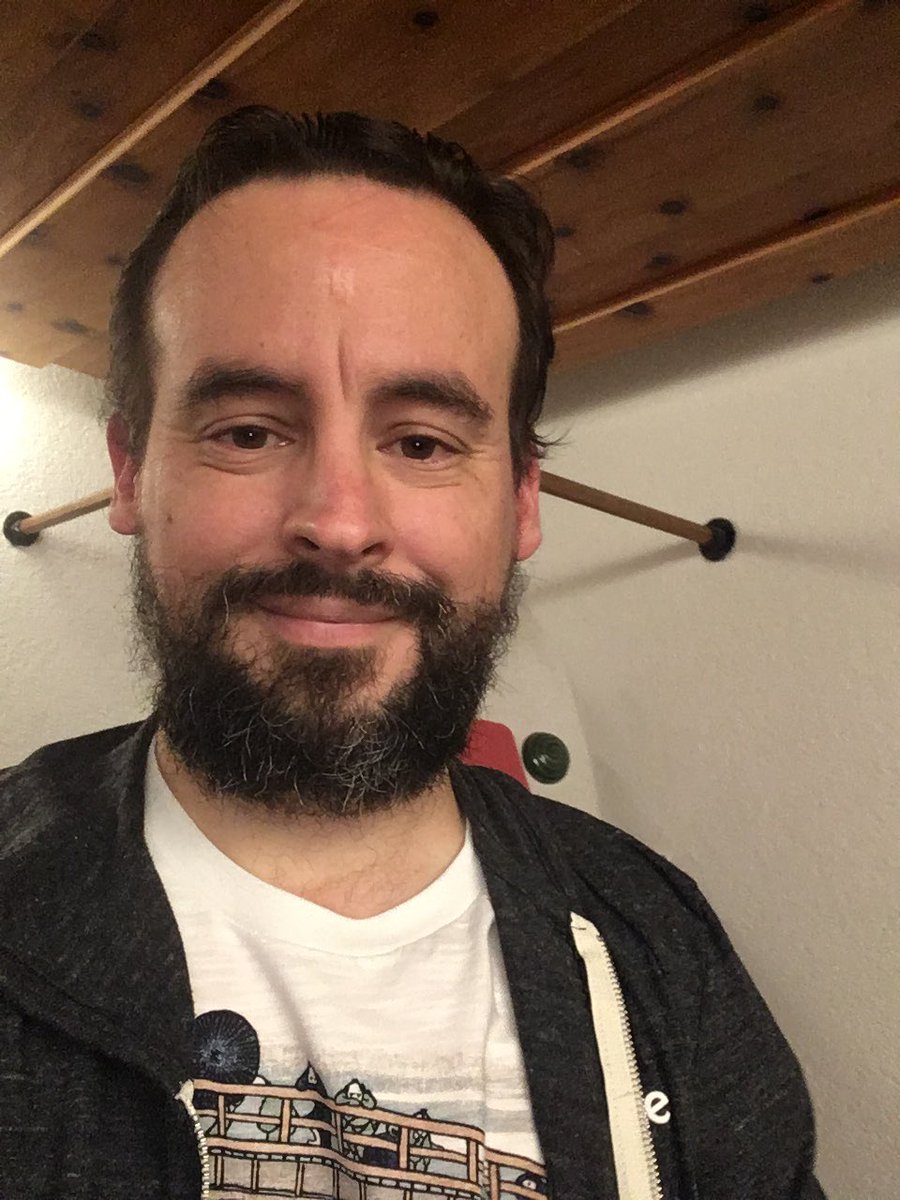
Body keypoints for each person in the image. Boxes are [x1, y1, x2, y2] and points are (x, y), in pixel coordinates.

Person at [0, 107, 825, 1199]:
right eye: (248, 430)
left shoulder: (661, 945)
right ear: (131, 471)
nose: (340, 522)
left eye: (423, 442)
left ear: (521, 501)